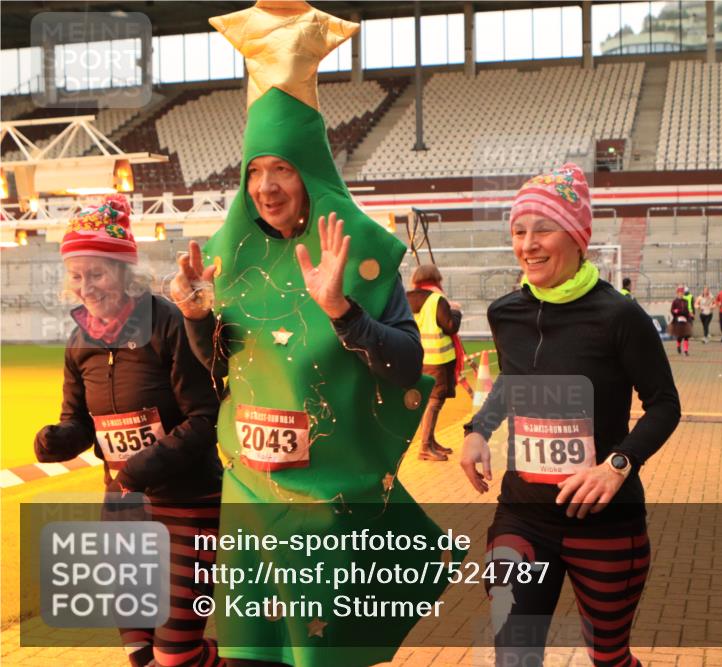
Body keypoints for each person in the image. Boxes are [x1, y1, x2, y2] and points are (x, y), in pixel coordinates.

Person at [171, 5, 454, 665]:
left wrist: (345, 314)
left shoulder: (365, 254)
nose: (267, 186)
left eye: (284, 168)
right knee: (249, 655)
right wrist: (195, 316)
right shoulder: (226, 255)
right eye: (255, 171)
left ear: (312, 172)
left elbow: (410, 361)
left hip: (329, 507)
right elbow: (218, 371)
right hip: (247, 497)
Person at [460, 163, 681, 667]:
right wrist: (477, 431)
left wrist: (618, 465)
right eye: (519, 230)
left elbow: (665, 405)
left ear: (579, 237)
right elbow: (516, 382)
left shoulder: (620, 316)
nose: (528, 243)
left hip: (603, 523)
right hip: (521, 514)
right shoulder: (506, 313)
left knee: (609, 659)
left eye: (544, 228)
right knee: (513, 656)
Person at [35, 195, 224, 667]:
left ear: (123, 271)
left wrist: (143, 466)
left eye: (96, 274)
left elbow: (205, 417)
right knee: (141, 653)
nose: (86, 288)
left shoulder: (169, 323)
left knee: (175, 655)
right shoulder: (80, 341)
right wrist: (58, 439)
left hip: (187, 505)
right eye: (76, 277)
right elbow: (79, 423)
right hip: (123, 511)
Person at [407, 264, 463, 461]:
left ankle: (430, 441)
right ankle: (425, 446)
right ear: (436, 279)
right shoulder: (437, 299)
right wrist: (455, 311)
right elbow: (450, 326)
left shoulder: (406, 297)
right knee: (434, 401)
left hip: (416, 358)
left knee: (427, 401)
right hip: (437, 359)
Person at [670, 285, 693, 356]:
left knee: (686, 335)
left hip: (685, 319)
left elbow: (687, 310)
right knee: (680, 335)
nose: (681, 294)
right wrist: (675, 311)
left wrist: (689, 314)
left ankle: (686, 351)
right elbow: (672, 310)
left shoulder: (685, 301)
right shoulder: (675, 301)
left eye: (682, 293)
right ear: (677, 293)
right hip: (678, 319)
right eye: (679, 293)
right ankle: (678, 345)